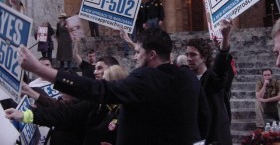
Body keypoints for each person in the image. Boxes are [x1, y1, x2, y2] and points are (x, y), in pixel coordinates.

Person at [16, 28, 210, 145]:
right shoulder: (189, 77)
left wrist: (40, 70)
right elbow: (204, 119)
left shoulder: (145, 78)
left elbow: (99, 90)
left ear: (151, 55)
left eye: (137, 52)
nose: (135, 57)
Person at [5, 64, 126, 145]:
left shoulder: (127, 112)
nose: (99, 86)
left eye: (104, 82)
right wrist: (25, 115)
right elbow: (64, 113)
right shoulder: (94, 103)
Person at [186, 19, 233, 145]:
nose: (189, 58)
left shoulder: (211, 77)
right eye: (187, 55)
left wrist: (225, 38)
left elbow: (221, 67)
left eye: (193, 55)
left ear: (204, 57)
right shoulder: (187, 79)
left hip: (215, 137)